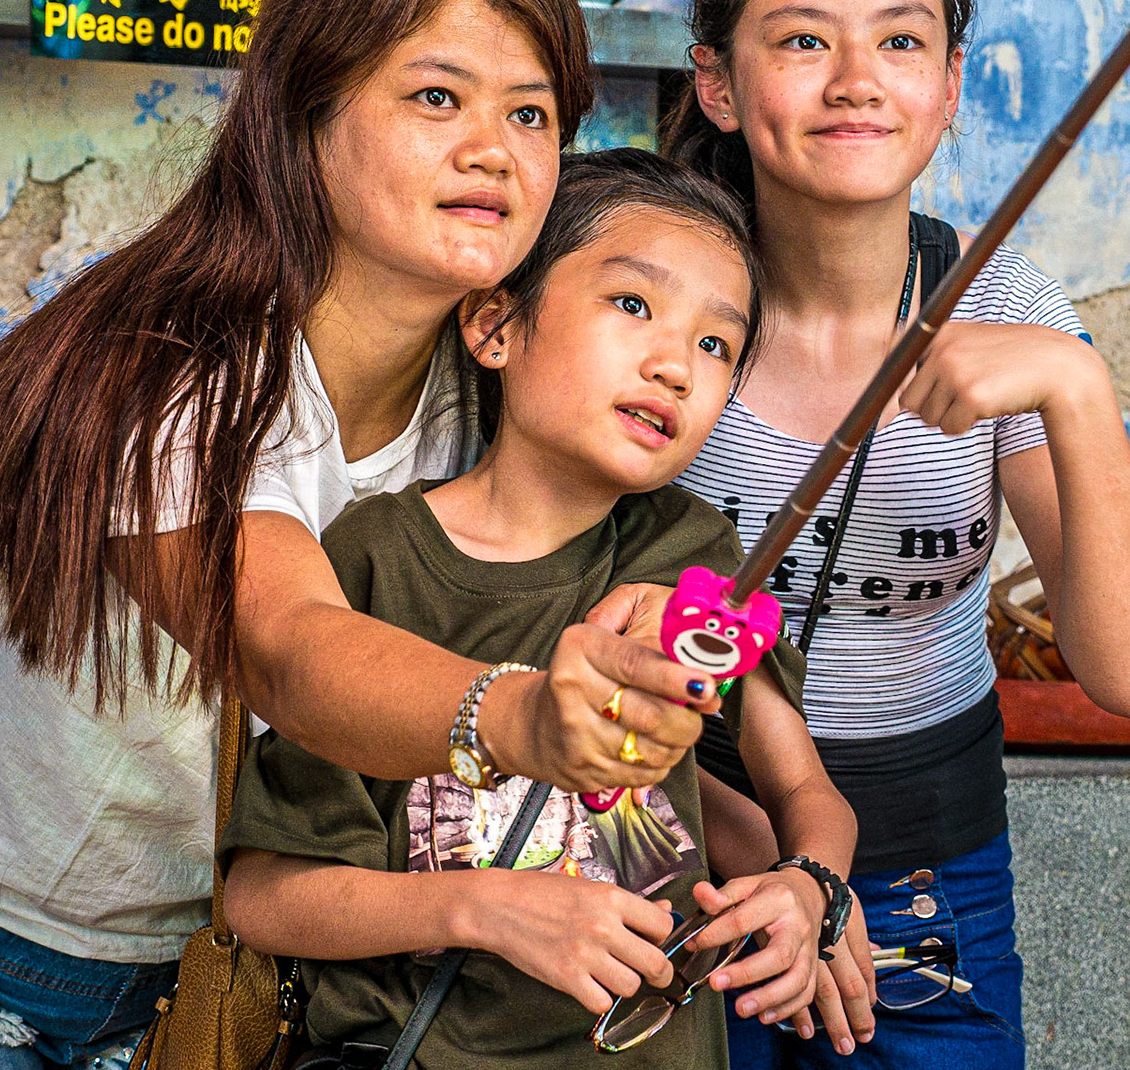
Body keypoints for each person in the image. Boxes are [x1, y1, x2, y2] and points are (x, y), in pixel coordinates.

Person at [0, 0, 724, 1068]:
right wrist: (522, 714)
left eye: (530, 113)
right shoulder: (167, 364)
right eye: (436, 98)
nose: (494, 149)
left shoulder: (496, 396)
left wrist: (791, 856)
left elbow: (697, 571)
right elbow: (287, 644)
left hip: (178, 981)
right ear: (304, 115)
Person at [663, 0, 1130, 1069]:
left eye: (901, 41)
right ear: (719, 86)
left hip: (930, 892)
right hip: (688, 858)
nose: (857, 80)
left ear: (948, 88)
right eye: (803, 40)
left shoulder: (1007, 310)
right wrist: (775, 864)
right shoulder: (654, 300)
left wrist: (1074, 386)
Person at [222, 149, 863, 1067]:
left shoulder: (696, 558)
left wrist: (810, 888)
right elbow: (264, 893)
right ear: (497, 327)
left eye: (716, 343)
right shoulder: (374, 558)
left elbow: (805, 793)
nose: (676, 365)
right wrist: (484, 909)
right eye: (634, 304)